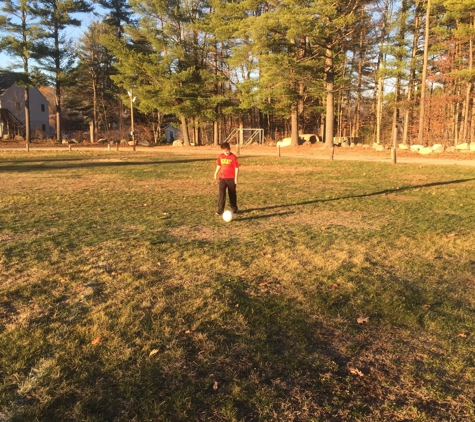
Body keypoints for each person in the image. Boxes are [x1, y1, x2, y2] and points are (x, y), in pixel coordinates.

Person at [214, 142, 239, 215]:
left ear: (230, 149)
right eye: (224, 151)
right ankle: (220, 210)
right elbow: (219, 165)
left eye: (227, 150)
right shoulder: (221, 156)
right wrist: (215, 173)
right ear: (222, 151)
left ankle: (234, 208)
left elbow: (236, 168)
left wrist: (236, 178)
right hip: (222, 178)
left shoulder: (233, 157)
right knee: (221, 194)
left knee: (232, 193)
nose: (226, 152)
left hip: (231, 178)